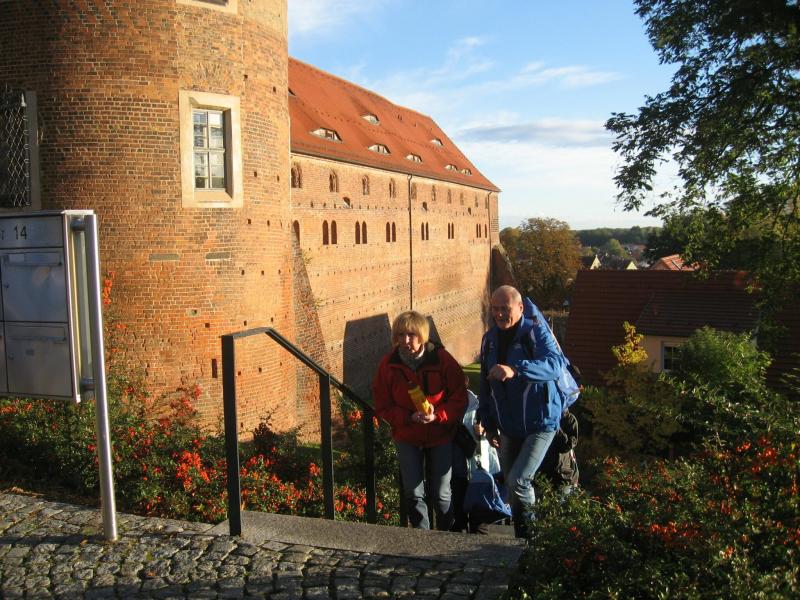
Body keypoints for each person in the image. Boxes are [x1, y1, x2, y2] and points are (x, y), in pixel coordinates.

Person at [477, 285, 567, 538]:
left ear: (520, 308)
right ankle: (522, 539)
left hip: (541, 422)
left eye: (505, 309)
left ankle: (530, 540)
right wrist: (488, 423)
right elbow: (485, 384)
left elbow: (555, 364)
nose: (499, 314)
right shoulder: (490, 340)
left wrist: (516, 369)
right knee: (512, 486)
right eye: (495, 309)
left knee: (519, 480)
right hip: (509, 425)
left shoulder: (535, 332)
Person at [373, 311, 467, 530]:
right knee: (414, 493)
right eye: (401, 335)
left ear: (422, 336)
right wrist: (408, 417)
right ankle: (422, 540)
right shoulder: (388, 365)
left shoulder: (442, 360)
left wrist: (438, 415)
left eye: (411, 335)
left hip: (439, 434)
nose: (405, 341)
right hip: (407, 435)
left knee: (441, 494)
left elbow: (459, 397)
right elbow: (382, 404)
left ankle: (447, 536)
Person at [451, 375, 504, 534]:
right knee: (458, 519)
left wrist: (485, 429)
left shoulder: (478, 405)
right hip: (456, 469)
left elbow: (496, 429)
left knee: (479, 522)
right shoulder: (447, 406)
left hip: (477, 470)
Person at [539, 408, 579, 496]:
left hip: (564, 476)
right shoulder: (541, 417)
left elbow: (566, 446)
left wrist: (555, 426)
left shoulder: (569, 419)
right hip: (543, 475)